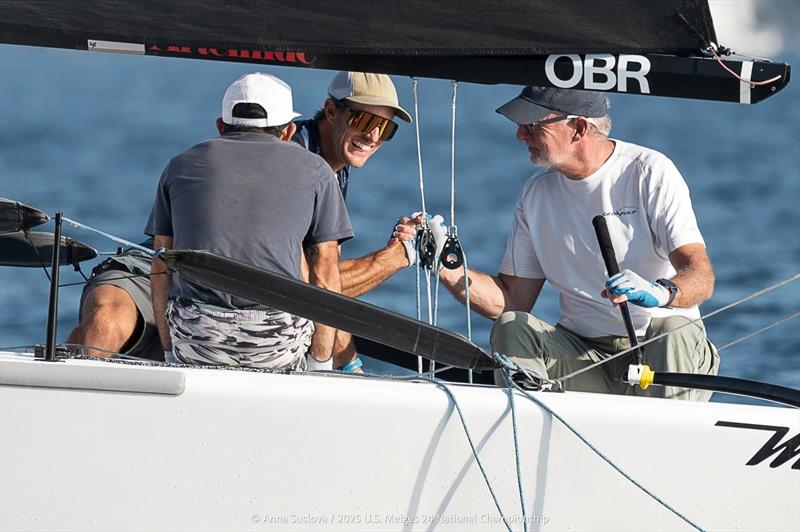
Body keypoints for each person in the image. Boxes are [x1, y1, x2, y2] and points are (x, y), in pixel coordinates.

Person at [67, 71, 416, 368]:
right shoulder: (308, 165)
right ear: (293, 128)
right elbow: (321, 285)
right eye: (366, 121)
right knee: (106, 320)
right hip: (162, 263)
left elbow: (325, 287)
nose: (374, 136)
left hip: (192, 278)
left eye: (386, 129)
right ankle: (62, 391)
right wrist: (398, 256)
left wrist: (174, 349)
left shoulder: (328, 171)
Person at [433, 86, 719, 400]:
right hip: (584, 355)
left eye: (533, 126)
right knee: (512, 326)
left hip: (660, 351)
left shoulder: (649, 171)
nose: (520, 135)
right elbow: (511, 301)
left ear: (579, 128)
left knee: (669, 331)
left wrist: (659, 292)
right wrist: (447, 266)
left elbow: (701, 276)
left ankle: (670, 437)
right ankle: (529, 429)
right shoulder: (535, 194)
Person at [147, 72, 352, 371]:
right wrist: (320, 363)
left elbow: (160, 264)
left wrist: (170, 352)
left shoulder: (179, 165)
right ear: (288, 131)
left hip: (198, 341)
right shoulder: (317, 171)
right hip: (274, 345)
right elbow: (325, 269)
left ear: (220, 126)